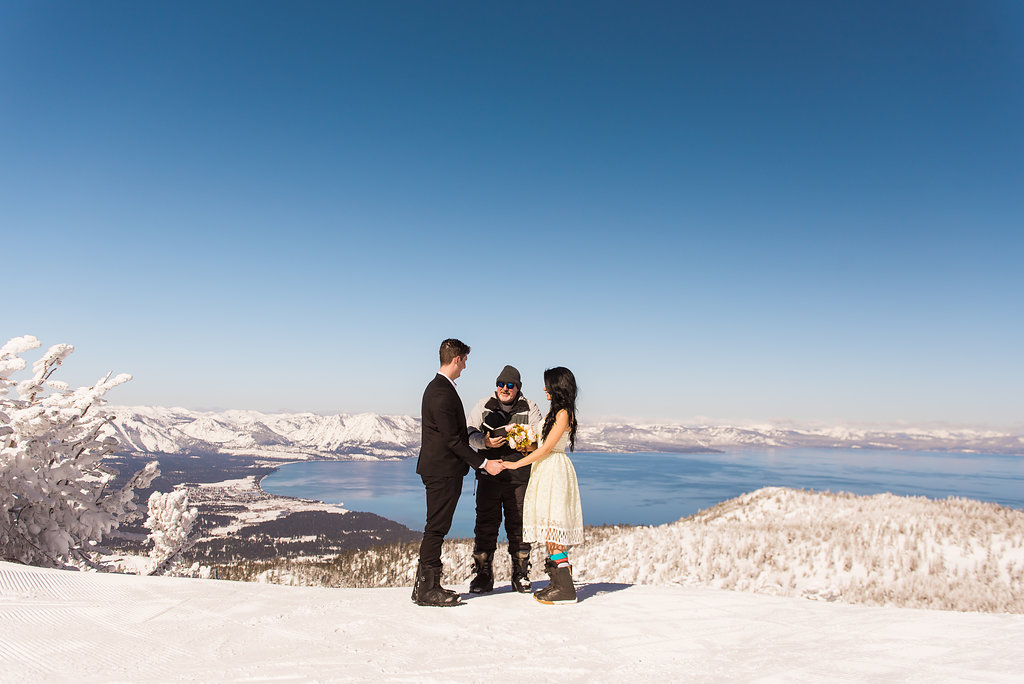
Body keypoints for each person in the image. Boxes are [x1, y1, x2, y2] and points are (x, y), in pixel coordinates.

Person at [412, 338, 504, 607]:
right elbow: (453, 440)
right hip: (442, 471)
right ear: (456, 359)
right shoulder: (441, 392)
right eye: (464, 361)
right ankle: (428, 589)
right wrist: (485, 464)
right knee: (436, 528)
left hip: (441, 469)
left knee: (436, 526)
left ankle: (423, 586)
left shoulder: (439, 388)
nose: (465, 366)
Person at [503, 366, 583, 604]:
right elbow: (541, 446)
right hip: (545, 470)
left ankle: (565, 589)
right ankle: (557, 583)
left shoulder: (563, 414)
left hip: (555, 472)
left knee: (554, 527)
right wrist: (523, 444)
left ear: (557, 386)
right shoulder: (554, 412)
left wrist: (516, 465)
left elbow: (547, 449)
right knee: (550, 529)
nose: (544, 388)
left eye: (547, 384)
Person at [465, 365, 543, 594]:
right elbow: (469, 433)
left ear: (518, 388)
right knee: (485, 525)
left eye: (510, 385)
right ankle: (482, 574)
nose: (505, 389)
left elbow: (538, 437)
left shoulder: (530, 407)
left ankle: (520, 574)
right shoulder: (483, 405)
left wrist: (521, 441)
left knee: (519, 525)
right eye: (501, 384)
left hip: (519, 477)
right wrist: (485, 443)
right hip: (489, 474)